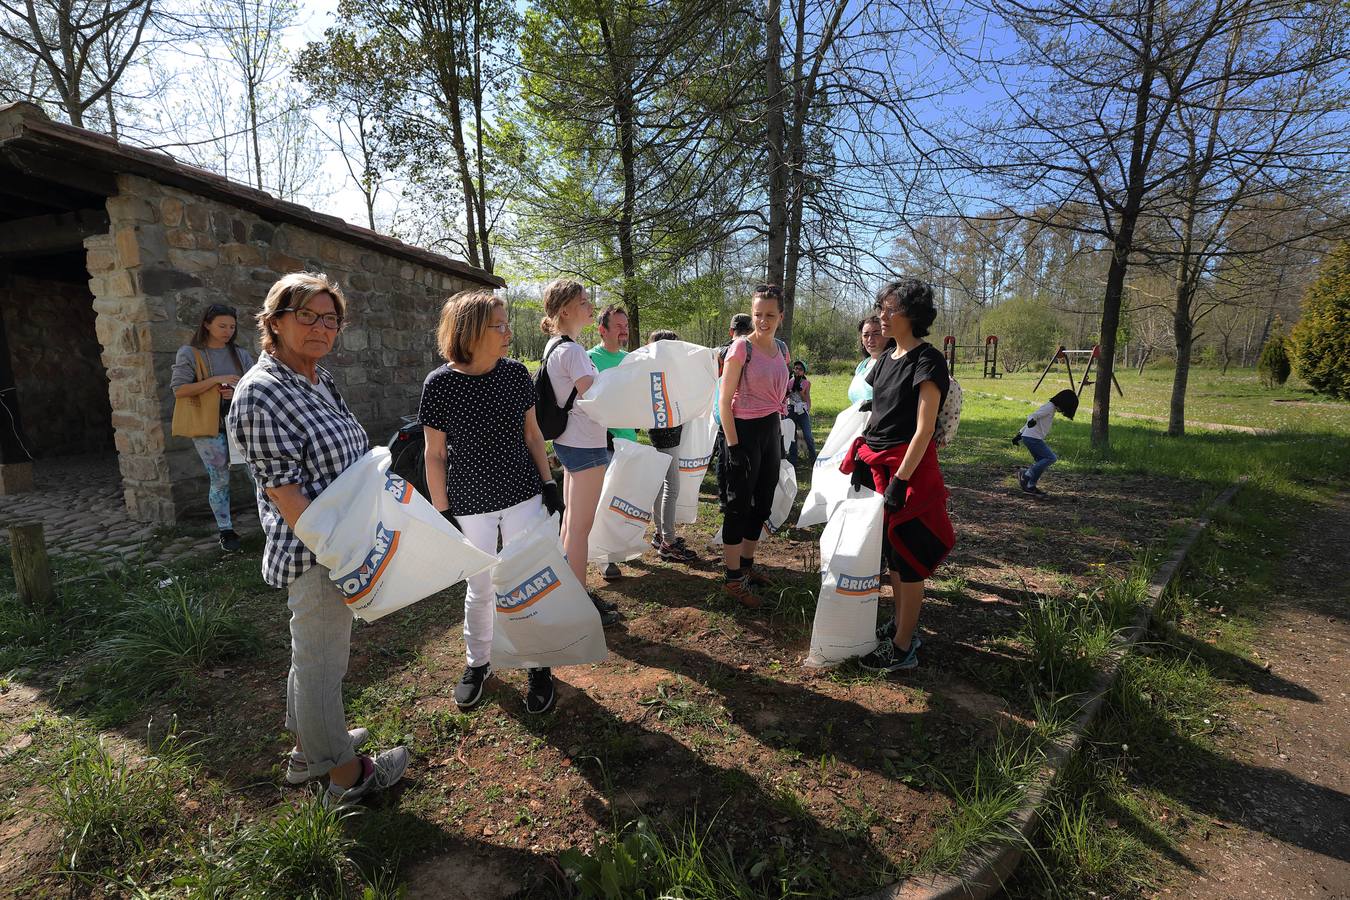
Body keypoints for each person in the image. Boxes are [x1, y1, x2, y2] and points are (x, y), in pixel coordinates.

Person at [228, 272, 407, 808]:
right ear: (274, 321)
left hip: (342, 536)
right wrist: (341, 554)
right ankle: (347, 778)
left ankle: (310, 752)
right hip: (315, 551)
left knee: (314, 657)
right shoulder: (260, 393)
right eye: (306, 315)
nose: (320, 327)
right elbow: (286, 494)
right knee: (322, 663)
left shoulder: (316, 379)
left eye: (330, 318)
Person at [420, 291, 568, 713]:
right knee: (480, 586)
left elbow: (533, 435)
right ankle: (478, 662)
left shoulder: (517, 374)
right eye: (499, 326)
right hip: (469, 502)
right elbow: (434, 454)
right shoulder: (441, 384)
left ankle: (538, 664)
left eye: (506, 325)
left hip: (522, 494)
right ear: (469, 330)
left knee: (529, 578)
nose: (508, 333)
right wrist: (441, 509)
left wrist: (548, 482)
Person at [842, 278, 955, 673]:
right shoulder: (887, 356)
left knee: (909, 560)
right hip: (878, 466)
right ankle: (900, 624)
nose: (882, 316)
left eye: (890, 309)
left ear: (911, 314)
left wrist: (901, 481)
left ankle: (904, 645)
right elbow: (877, 412)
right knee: (891, 554)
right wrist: (861, 459)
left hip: (908, 472)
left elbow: (923, 430)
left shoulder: (928, 360)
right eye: (882, 307)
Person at [541, 279, 622, 626]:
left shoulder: (556, 346)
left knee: (571, 523)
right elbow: (596, 401)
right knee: (580, 529)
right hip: (585, 446)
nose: (590, 306)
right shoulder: (572, 352)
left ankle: (567, 591)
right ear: (565, 310)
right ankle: (578, 603)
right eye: (584, 302)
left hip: (571, 443)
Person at [718, 284, 791, 608]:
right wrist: (734, 448)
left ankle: (747, 567)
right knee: (738, 507)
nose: (763, 320)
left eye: (770, 315)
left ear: (781, 317)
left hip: (770, 430)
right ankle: (733, 580)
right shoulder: (740, 349)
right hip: (742, 432)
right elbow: (723, 402)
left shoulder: (783, 350)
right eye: (758, 314)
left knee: (762, 504)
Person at [171, 303, 255, 551]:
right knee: (219, 479)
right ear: (206, 324)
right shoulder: (190, 353)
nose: (228, 331)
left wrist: (236, 392)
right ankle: (226, 531)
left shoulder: (241, 355)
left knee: (258, 475)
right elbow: (179, 389)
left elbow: (255, 387)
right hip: (210, 427)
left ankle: (270, 522)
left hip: (242, 424)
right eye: (222, 325)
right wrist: (215, 381)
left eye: (232, 326)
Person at [588, 304, 637, 581]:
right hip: (602, 443)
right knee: (602, 501)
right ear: (602, 330)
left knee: (621, 499)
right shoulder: (588, 359)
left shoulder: (631, 360)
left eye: (626, 326)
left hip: (629, 440)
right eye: (618, 326)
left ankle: (615, 549)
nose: (624, 331)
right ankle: (603, 558)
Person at [646, 329, 699, 563]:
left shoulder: (657, 371)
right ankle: (668, 542)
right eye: (675, 346)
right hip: (666, 434)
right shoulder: (663, 373)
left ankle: (660, 534)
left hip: (664, 432)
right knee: (671, 487)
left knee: (660, 485)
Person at [712, 313, 755, 505]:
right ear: (751, 330)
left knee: (725, 454)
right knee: (738, 455)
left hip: (723, 411)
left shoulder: (720, 351)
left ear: (731, 331)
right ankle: (738, 497)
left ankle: (725, 497)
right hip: (743, 412)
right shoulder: (753, 349)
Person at [1013, 389, 1078, 496]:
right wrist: (1031, 421)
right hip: (1032, 438)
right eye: (1064, 408)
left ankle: (1030, 486)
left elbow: (1034, 418)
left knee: (1041, 462)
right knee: (1051, 458)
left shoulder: (1051, 408)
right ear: (1063, 402)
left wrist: (1019, 434)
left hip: (1031, 437)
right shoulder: (1049, 407)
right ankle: (1025, 475)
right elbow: (1033, 415)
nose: (1062, 411)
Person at [848, 315, 886, 404]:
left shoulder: (890, 363)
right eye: (866, 335)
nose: (870, 339)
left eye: (876, 334)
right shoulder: (862, 365)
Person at [785, 359, 816, 466]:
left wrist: (800, 391)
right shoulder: (789, 381)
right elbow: (785, 396)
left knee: (808, 435)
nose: (798, 370)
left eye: (800, 369)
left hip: (802, 411)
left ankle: (813, 459)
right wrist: (791, 390)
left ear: (804, 372)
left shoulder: (807, 383)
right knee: (791, 435)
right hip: (791, 409)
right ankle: (793, 460)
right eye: (796, 368)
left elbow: (806, 398)